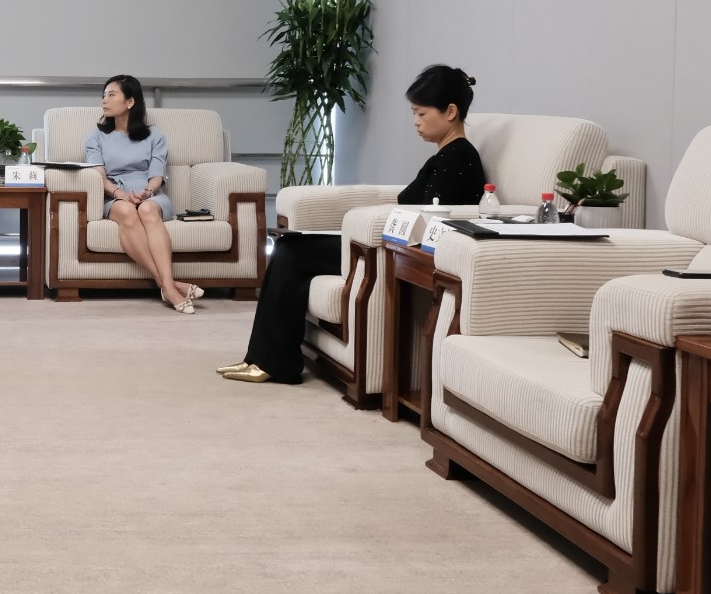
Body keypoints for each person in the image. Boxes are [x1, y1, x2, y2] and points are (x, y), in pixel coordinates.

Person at [221, 64, 486, 384]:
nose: (415, 122)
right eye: (413, 113)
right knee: (288, 246)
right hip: (381, 243)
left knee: (291, 252)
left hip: (393, 251)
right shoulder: (445, 155)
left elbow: (434, 216)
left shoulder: (459, 158)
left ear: (451, 112)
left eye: (421, 113)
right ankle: (260, 358)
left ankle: (272, 363)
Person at [85, 74, 202, 313]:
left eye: (111, 95)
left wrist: (147, 192)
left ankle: (167, 285)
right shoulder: (96, 136)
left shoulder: (154, 136)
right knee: (127, 211)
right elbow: (99, 176)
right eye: (104, 95)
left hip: (150, 194)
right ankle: (168, 285)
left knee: (147, 209)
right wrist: (120, 194)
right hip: (115, 195)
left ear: (130, 102)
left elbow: (157, 175)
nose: (104, 100)